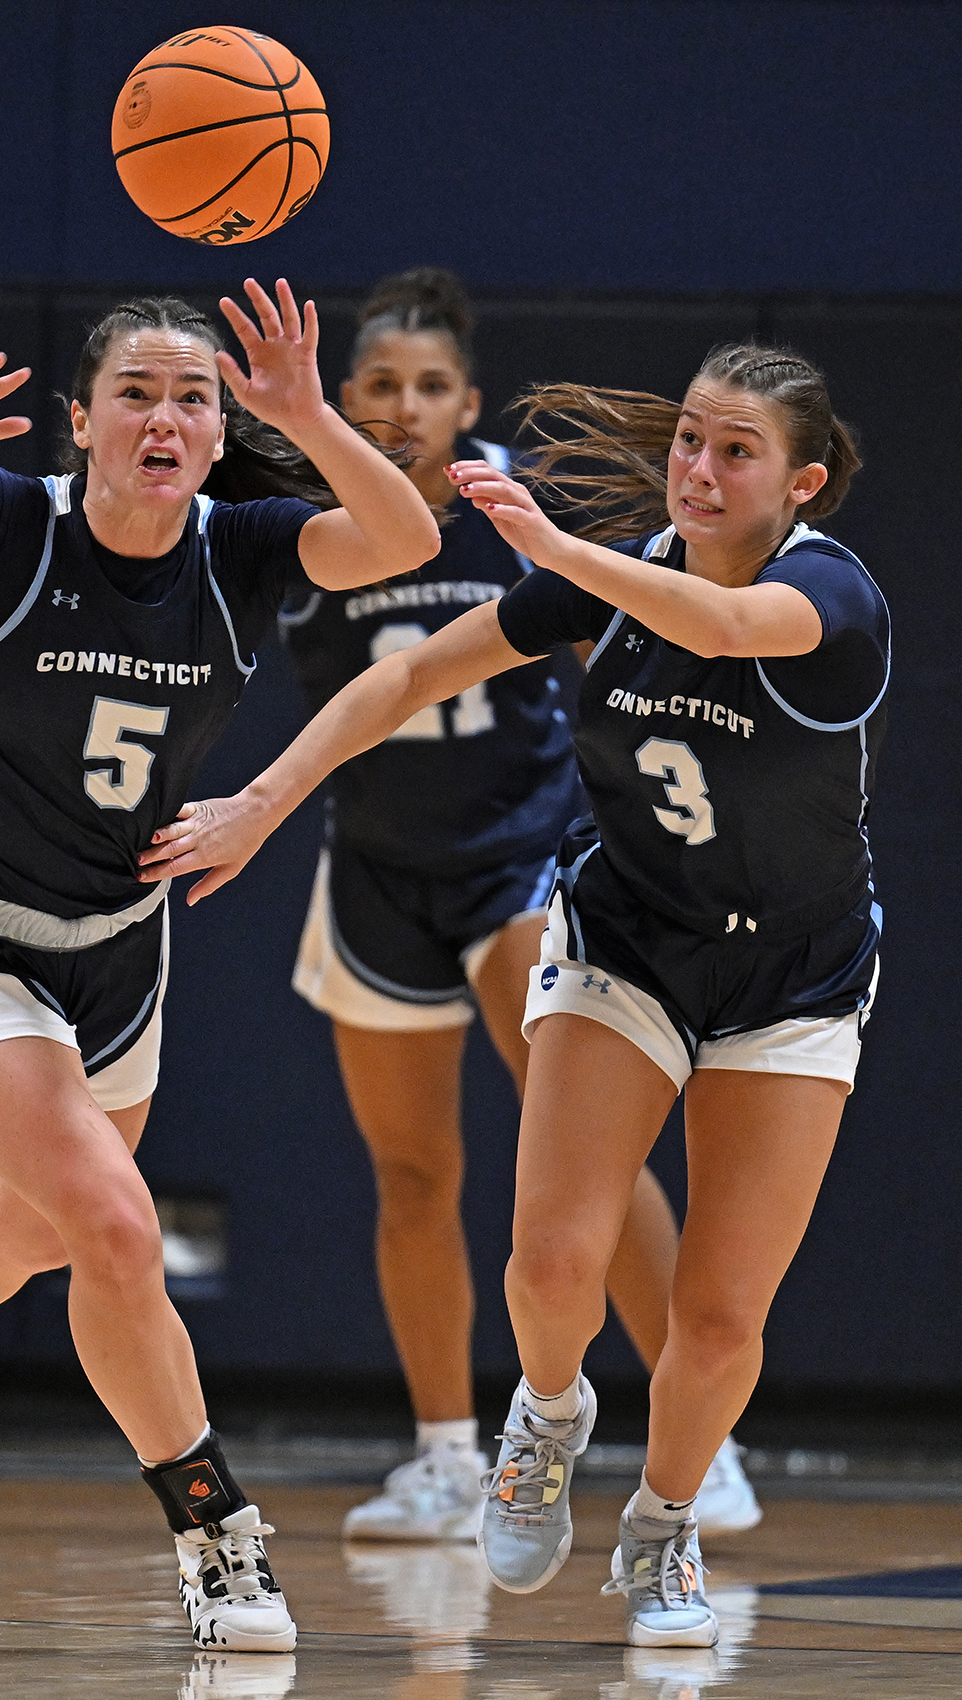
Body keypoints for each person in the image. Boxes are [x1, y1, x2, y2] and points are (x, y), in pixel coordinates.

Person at [146, 343, 878, 1648]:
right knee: (550, 1264)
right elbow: (409, 675)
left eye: (736, 452)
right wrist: (263, 804)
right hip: (626, 944)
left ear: (801, 482)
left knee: (715, 1324)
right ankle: (543, 1418)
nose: (699, 471)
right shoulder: (605, 576)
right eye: (689, 441)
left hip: (792, 976)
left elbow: (713, 624)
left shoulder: (831, 592)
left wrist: (560, 553)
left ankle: (662, 1533)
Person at [0, 282, 439, 1651]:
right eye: (138, 394)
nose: (168, 419)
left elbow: (404, 537)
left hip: (118, 959)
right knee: (117, 1229)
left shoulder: (246, 550)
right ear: (81, 421)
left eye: (194, 399)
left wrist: (304, 413)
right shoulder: (8, 522)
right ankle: (219, 1533)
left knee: (37, 1231)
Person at [279, 268, 755, 1541]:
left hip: (524, 859)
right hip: (376, 868)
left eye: (429, 385)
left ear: (467, 401)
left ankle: (692, 1431)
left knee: (587, 1158)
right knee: (412, 1170)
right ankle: (443, 1452)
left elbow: (631, 653)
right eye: (379, 383)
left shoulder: (512, 505)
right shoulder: (301, 518)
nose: (404, 405)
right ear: (345, 397)